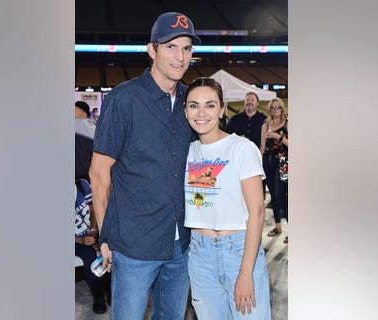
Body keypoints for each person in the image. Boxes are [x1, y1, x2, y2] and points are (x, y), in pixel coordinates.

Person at [88, 11, 201, 319]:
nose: (180, 56)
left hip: (180, 243)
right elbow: (99, 174)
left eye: (187, 48)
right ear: (152, 50)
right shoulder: (123, 100)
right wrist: (106, 237)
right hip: (134, 244)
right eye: (171, 46)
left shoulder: (192, 102)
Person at [183, 77, 271, 319]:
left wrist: (246, 273)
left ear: (222, 109)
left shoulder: (241, 148)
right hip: (199, 256)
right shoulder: (186, 152)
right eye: (193, 105)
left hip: (239, 251)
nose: (201, 113)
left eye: (210, 105)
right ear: (185, 110)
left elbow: (257, 212)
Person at [74, 179, 111, 314]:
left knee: (110, 245)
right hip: (74, 241)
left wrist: (94, 232)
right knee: (89, 256)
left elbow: (93, 208)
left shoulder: (81, 186)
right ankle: (98, 294)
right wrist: (80, 240)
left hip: (90, 232)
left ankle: (109, 287)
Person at [259, 99, 289, 244]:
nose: (275, 109)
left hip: (283, 163)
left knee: (281, 195)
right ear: (269, 109)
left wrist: (278, 137)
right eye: (273, 107)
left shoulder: (288, 124)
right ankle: (278, 226)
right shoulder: (265, 126)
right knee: (274, 197)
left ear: (282, 109)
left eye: (278, 107)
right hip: (268, 161)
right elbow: (262, 147)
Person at [75, 101, 96, 181]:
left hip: (77, 173)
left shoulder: (77, 124)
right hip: (90, 173)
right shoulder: (94, 127)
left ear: (82, 112)